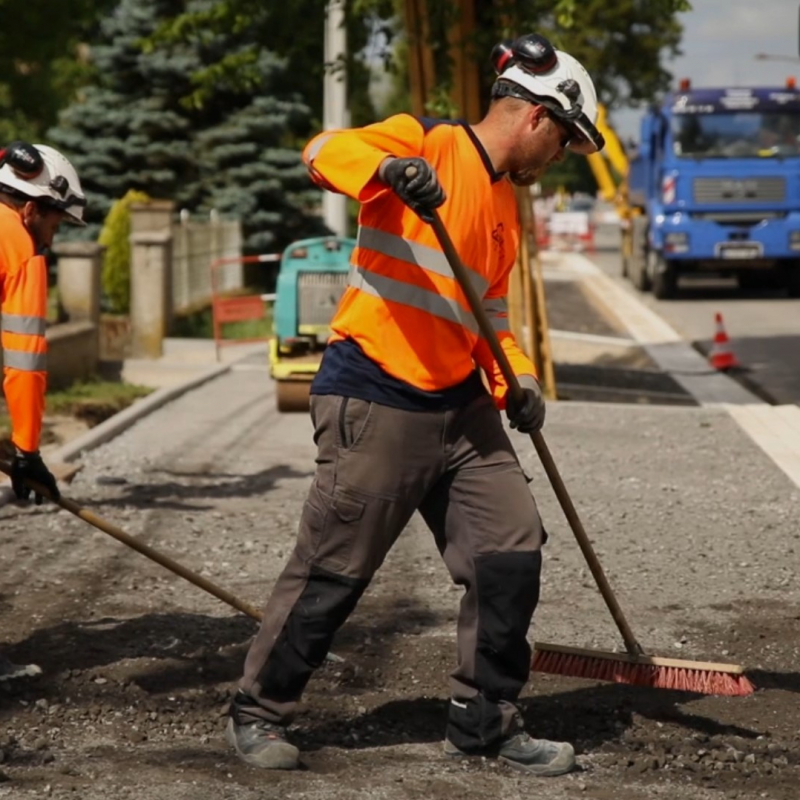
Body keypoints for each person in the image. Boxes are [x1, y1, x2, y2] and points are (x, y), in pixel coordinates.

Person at [226, 33, 604, 776]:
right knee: (335, 566)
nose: (556, 157)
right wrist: (390, 170)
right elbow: (322, 151)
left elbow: (488, 312)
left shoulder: (504, 209)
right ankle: (259, 710)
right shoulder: (422, 141)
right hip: (376, 388)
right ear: (535, 118)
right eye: (561, 141)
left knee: (511, 547)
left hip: (462, 406)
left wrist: (516, 384)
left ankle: (485, 719)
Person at [0, 140, 87, 680]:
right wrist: (28, 451)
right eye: (56, 221)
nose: (54, 235)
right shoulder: (19, 249)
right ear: (32, 208)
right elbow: (24, 361)